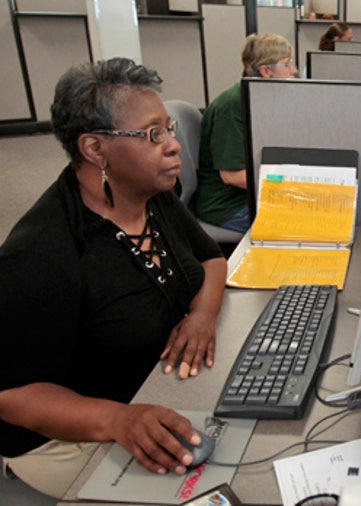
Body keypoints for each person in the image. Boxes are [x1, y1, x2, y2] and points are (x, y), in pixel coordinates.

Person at [0, 57, 228, 498]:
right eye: (152, 134)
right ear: (94, 149)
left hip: (150, 389)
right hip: (63, 437)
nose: (173, 145)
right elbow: (10, 393)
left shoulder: (152, 194)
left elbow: (211, 259)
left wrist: (201, 314)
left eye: (169, 129)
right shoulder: (41, 253)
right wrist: (118, 419)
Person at [196, 33, 296, 233]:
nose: (293, 71)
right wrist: (288, 188)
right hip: (227, 206)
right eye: (287, 64)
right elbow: (232, 176)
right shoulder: (232, 106)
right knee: (299, 225)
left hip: (249, 197)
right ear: (266, 71)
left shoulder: (257, 99)